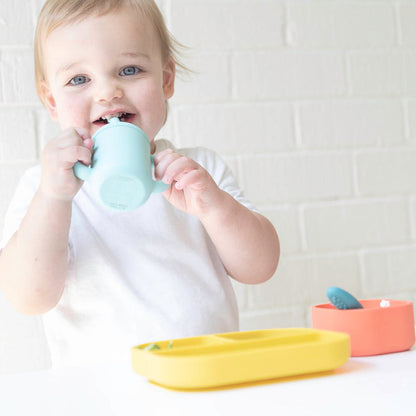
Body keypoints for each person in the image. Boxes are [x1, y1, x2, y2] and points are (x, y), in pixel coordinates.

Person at [0, 0, 279, 367]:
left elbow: (261, 267)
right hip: (97, 395)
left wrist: (214, 206)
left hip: (207, 379)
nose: (108, 92)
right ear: (52, 101)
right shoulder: (45, 186)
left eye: (129, 69)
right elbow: (28, 297)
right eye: (79, 79)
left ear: (166, 80)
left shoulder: (199, 172)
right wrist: (53, 198)